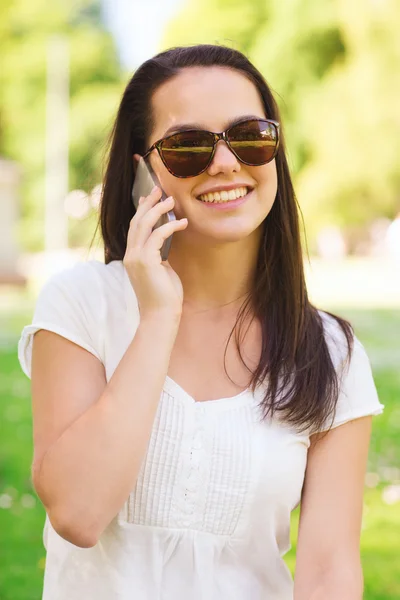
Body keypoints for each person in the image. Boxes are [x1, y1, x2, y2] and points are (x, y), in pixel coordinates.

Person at [18, 44, 384, 600]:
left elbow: (330, 571)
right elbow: (77, 512)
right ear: (142, 172)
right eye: (188, 145)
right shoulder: (82, 305)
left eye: (250, 136)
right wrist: (160, 316)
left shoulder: (331, 353)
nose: (225, 163)